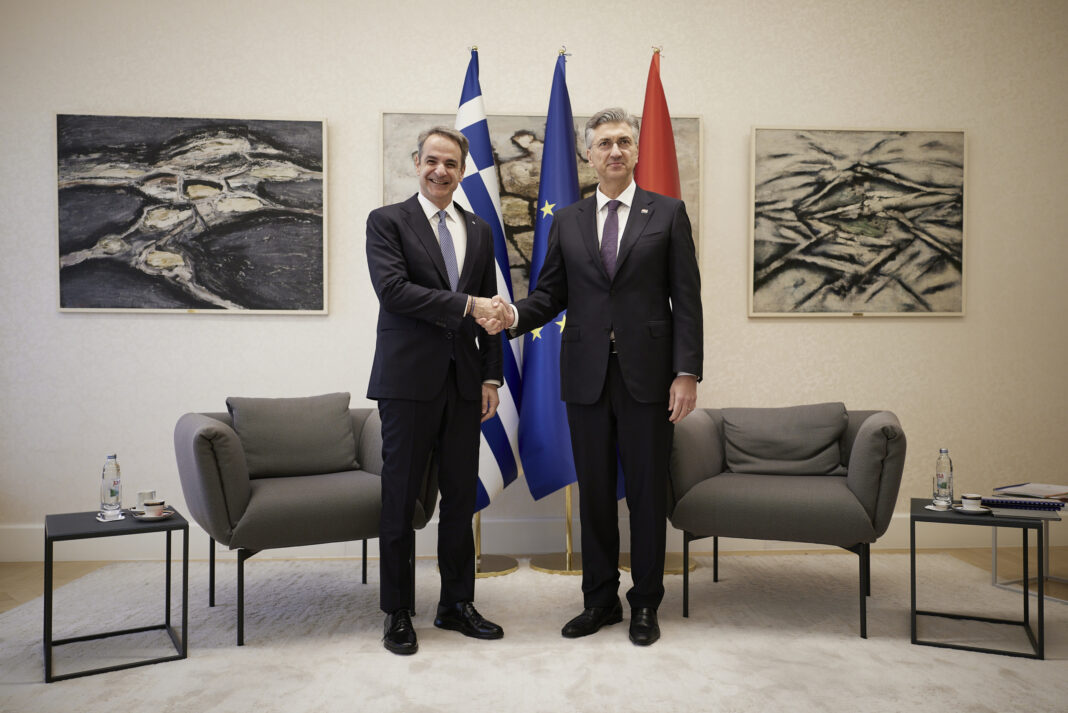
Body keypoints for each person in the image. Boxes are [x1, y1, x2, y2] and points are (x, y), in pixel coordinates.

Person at [478, 108, 703, 646]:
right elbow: (551, 294)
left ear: (636, 151)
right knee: (596, 494)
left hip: (650, 378)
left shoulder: (668, 213)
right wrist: (512, 315)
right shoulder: (570, 219)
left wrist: (687, 372)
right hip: (586, 378)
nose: (615, 151)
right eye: (604, 143)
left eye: (624, 141)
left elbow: (687, 300)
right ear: (588, 154)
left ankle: (645, 602)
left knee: (646, 495)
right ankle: (600, 600)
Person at [366, 126, 506, 655]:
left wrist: (490, 376)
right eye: (431, 161)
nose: (440, 171)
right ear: (417, 162)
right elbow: (394, 292)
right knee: (400, 500)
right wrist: (466, 306)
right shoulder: (387, 222)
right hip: (406, 384)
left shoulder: (480, 230)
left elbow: (489, 309)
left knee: (460, 499)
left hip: (465, 385)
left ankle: (456, 604)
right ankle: (398, 611)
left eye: (450, 163)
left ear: (463, 171)